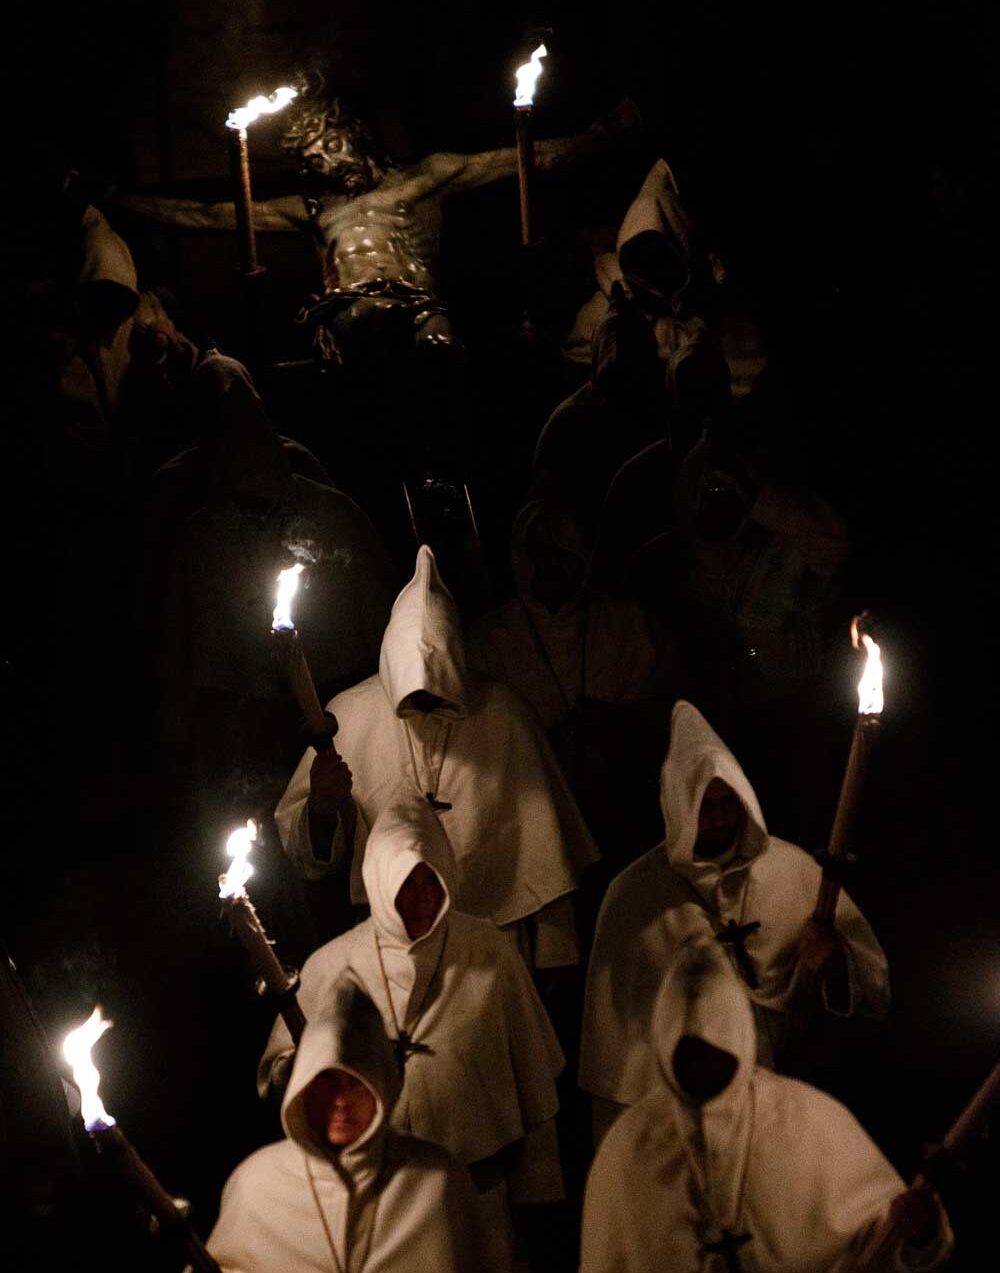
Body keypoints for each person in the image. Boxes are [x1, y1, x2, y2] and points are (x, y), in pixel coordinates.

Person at [260, 788, 565, 1261]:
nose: (421, 899)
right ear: (380, 882)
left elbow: (534, 1087)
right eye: (405, 883)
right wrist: (297, 1069)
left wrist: (540, 1196)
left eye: (430, 881)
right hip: (381, 1196)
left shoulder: (489, 952)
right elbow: (282, 1070)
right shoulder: (331, 966)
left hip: (479, 1187)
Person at [275, 544, 598, 970]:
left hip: (492, 946)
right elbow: (309, 856)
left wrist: (558, 959)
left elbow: (546, 868)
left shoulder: (505, 715)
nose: (424, 702)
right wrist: (320, 808)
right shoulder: (349, 717)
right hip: (389, 943)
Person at [579, 699, 889, 1143]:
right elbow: (615, 1059)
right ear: (680, 808)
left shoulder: (794, 872)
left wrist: (835, 965)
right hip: (682, 1124)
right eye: (706, 807)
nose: (722, 818)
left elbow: (869, 994)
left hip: (782, 1108)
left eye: (729, 802)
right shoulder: (634, 898)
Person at [580, 934, 951, 1273]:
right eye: (689, 1056)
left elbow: (886, 1239)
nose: (703, 1071)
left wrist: (920, 1233)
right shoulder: (630, 1146)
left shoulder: (808, 1121)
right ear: (664, 1050)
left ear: (740, 1044)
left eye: (715, 1055)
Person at [208, 980, 503, 1273]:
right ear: (304, 1087)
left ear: (381, 1089)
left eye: (357, 1085)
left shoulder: (437, 1180)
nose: (341, 1102)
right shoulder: (257, 1182)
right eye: (328, 1081)